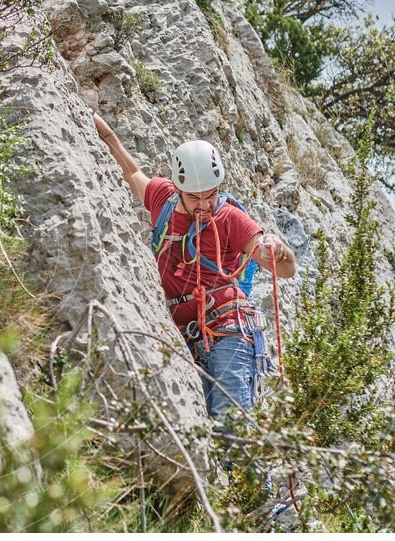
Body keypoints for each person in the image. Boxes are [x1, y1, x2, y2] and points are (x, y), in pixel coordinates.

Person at [93, 113, 296, 419]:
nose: (204, 205)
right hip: (183, 334)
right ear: (177, 189)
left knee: (231, 423)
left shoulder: (230, 218)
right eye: (194, 198)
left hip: (228, 328)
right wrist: (97, 125)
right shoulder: (163, 198)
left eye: (211, 196)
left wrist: (280, 252)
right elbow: (132, 172)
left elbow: (284, 269)